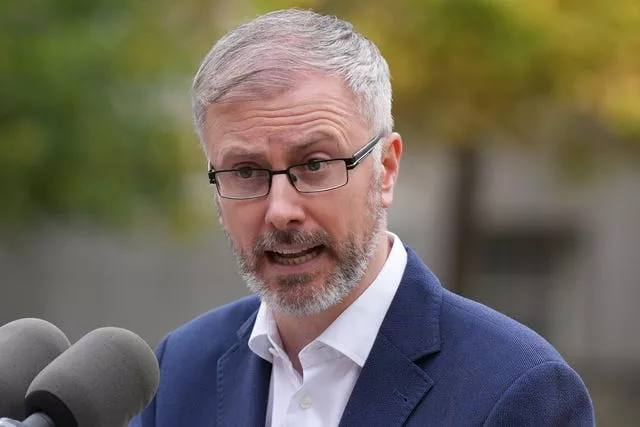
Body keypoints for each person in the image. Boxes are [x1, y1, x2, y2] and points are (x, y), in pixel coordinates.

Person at [131, 8, 594, 427]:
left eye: (314, 165)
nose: (281, 211)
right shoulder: (177, 372)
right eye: (247, 171)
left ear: (386, 170)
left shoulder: (518, 391)